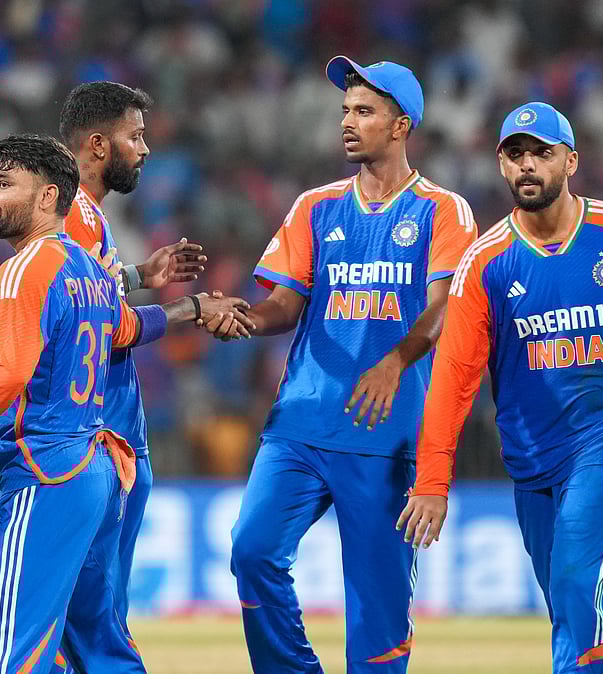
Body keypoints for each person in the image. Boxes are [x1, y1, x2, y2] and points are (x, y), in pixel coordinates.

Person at [0, 134, 249, 674]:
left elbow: (8, 372)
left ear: (46, 197)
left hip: (47, 472)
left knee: (11, 649)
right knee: (96, 644)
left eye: (5, 182)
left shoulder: (22, 269)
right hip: (96, 472)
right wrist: (190, 306)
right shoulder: (86, 268)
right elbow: (126, 328)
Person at [203, 57, 477, 672]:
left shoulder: (444, 210)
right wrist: (244, 318)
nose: (347, 123)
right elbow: (283, 304)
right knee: (252, 550)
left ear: (401, 125)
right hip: (301, 422)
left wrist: (394, 361)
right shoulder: (314, 206)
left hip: (387, 434)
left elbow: (443, 312)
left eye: (364, 111)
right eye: (345, 111)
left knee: (376, 607)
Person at [398, 102, 603, 673]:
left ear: (571, 161)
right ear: (502, 166)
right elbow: (454, 377)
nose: (527, 165)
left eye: (541, 153)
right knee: (579, 601)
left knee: (579, 580)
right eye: (515, 154)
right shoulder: (485, 262)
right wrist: (432, 479)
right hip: (532, 459)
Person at [55, 81, 210, 670]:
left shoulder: (88, 217)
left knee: (97, 615)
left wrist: (139, 274)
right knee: (92, 621)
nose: (145, 149)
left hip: (116, 438)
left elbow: (91, 293)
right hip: (95, 439)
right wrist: (190, 310)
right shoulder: (70, 215)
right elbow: (101, 323)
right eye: (135, 137)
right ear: (98, 145)